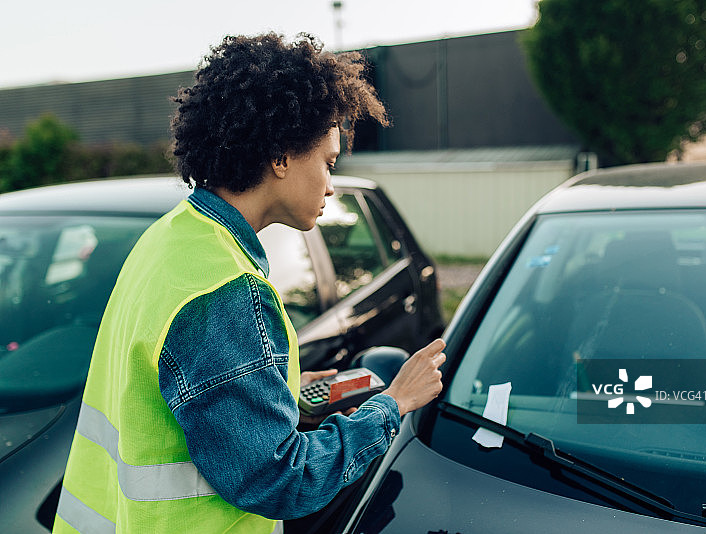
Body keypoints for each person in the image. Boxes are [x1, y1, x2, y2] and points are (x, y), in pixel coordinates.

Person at [53, 32, 446, 534]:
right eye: (328, 162)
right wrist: (394, 404)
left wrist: (278, 389)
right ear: (280, 156)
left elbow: (189, 394)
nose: (331, 183)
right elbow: (282, 478)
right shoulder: (225, 292)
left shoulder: (172, 237)